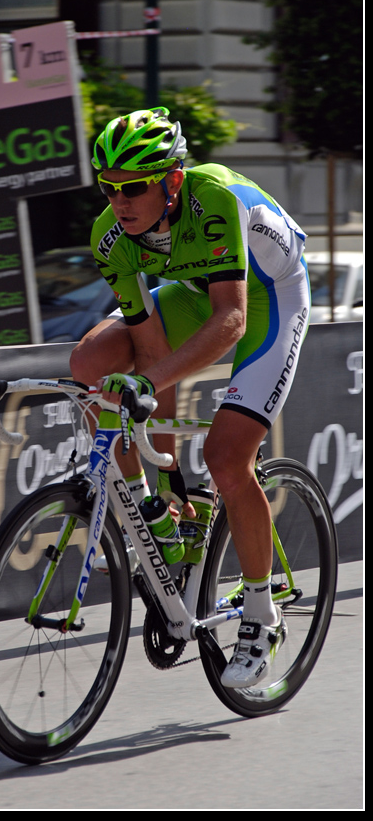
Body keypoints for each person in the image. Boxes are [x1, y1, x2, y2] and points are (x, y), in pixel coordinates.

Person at [70, 107, 311, 688]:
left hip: (268, 298)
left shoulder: (213, 198)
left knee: (227, 457)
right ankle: (157, 513)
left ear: (172, 180)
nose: (120, 201)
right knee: (91, 364)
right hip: (196, 293)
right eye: (109, 188)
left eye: (134, 188)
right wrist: (168, 478)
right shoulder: (110, 237)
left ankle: (261, 613)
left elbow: (232, 320)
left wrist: (147, 383)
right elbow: (151, 350)